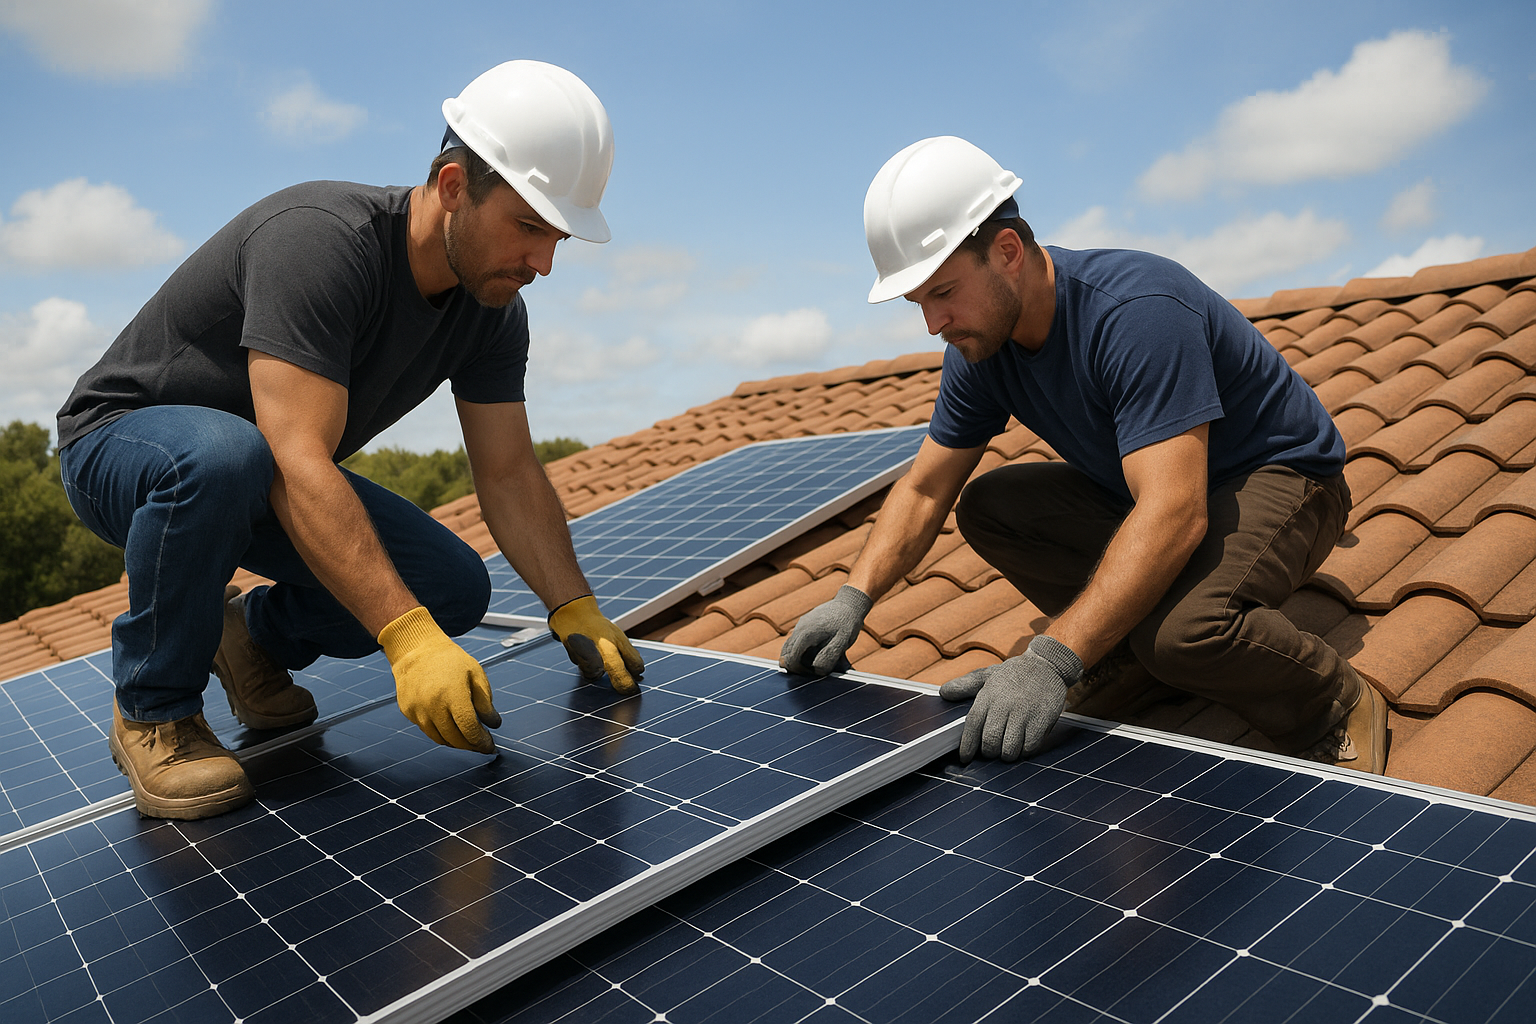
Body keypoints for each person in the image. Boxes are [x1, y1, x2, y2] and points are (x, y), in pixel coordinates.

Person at [55, 60, 644, 821]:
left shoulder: (491, 311)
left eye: (558, 236)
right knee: (228, 453)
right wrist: (403, 639)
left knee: (454, 587)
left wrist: (573, 605)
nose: (545, 262)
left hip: (259, 471)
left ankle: (251, 639)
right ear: (455, 184)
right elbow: (297, 455)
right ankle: (155, 712)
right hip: (127, 449)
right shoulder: (320, 242)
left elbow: (508, 473)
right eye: (530, 226)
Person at [780, 136, 1386, 773]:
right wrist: (854, 596)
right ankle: (1120, 651)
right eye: (920, 303)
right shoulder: (981, 347)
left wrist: (1051, 660)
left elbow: (1176, 512)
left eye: (943, 292)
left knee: (1181, 635)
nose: (934, 323)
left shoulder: (1136, 312)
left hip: (1283, 479)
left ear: (1007, 252)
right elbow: (927, 488)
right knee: (991, 505)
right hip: (1159, 489)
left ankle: (1334, 703)